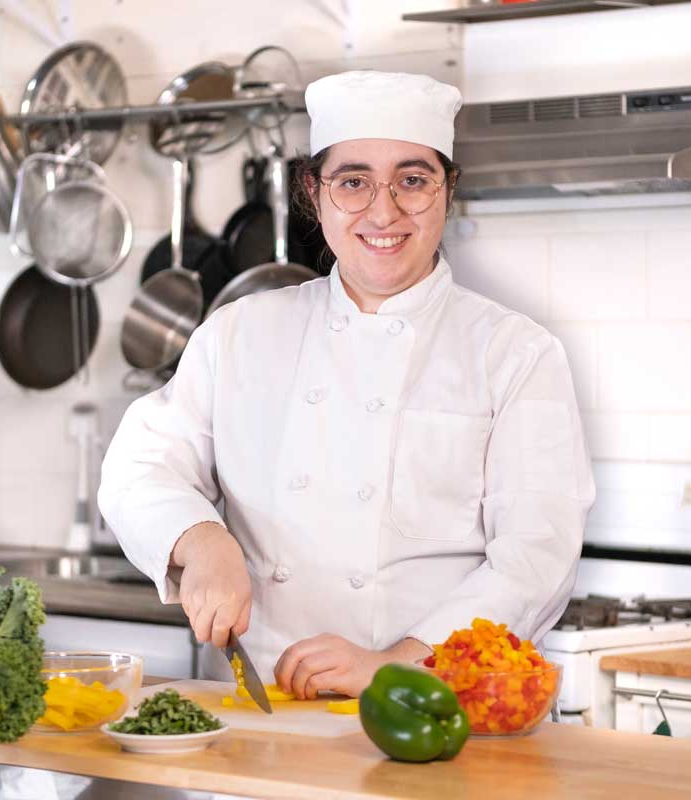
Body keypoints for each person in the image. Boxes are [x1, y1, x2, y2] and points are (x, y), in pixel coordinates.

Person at [99, 70, 595, 699]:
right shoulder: (240, 334)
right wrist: (201, 542)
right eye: (353, 182)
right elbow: (140, 466)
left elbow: (535, 556)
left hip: (429, 709)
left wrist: (400, 664)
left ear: (447, 191)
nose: (383, 211)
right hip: (261, 712)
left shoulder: (514, 353)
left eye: (413, 180)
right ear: (314, 192)